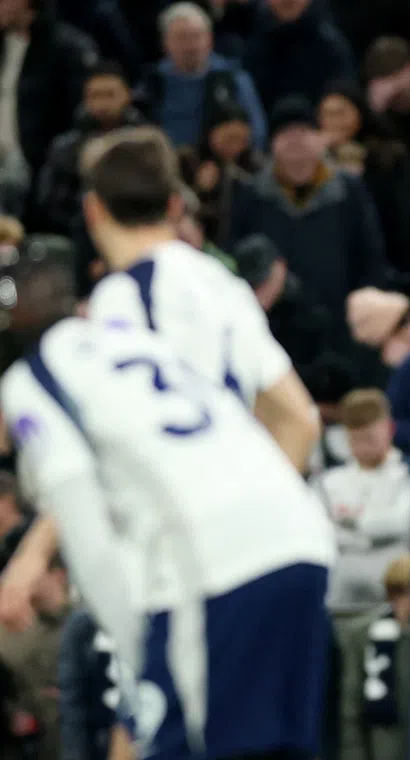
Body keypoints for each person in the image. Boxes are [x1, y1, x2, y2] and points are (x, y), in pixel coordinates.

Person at [0, 245, 336, 760]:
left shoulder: (34, 381)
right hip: (301, 539)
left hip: (216, 564)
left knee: (164, 738)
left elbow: (90, 545)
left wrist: (139, 661)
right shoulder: (131, 342)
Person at [0, 126, 320, 629]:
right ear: (175, 205)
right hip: (281, 542)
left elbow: (115, 445)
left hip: (191, 558)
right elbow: (300, 419)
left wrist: (30, 558)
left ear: (92, 210)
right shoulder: (222, 283)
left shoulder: (124, 297)